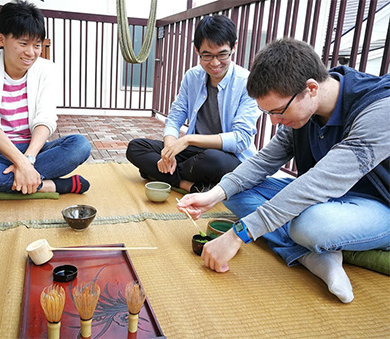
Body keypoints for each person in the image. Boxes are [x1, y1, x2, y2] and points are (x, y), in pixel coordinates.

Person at [177, 38, 390, 303]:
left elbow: (319, 183)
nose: (275, 121)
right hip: (324, 199)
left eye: (278, 112)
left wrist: (238, 234)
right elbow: (263, 161)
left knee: (311, 226)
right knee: (234, 190)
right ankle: (311, 256)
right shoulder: (303, 109)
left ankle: (312, 246)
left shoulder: (380, 108)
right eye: (269, 113)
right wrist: (215, 194)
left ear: (311, 88)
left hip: (378, 206)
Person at [0, 0, 91, 195]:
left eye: (37, 45)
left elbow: (45, 119)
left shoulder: (48, 70)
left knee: (80, 146)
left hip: (33, 150)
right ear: (1, 40)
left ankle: (4, 181)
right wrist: (20, 163)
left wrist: (27, 160)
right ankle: (49, 185)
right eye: (23, 43)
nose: (31, 52)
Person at [126, 15, 259, 193]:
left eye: (222, 54)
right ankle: (186, 184)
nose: (215, 63)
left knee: (214, 161)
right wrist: (168, 151)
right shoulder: (192, 76)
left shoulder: (247, 82)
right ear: (197, 50)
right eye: (207, 55)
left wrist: (188, 139)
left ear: (233, 48)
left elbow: (241, 139)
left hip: (228, 157)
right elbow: (175, 117)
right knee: (136, 147)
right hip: (195, 153)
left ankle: (155, 172)